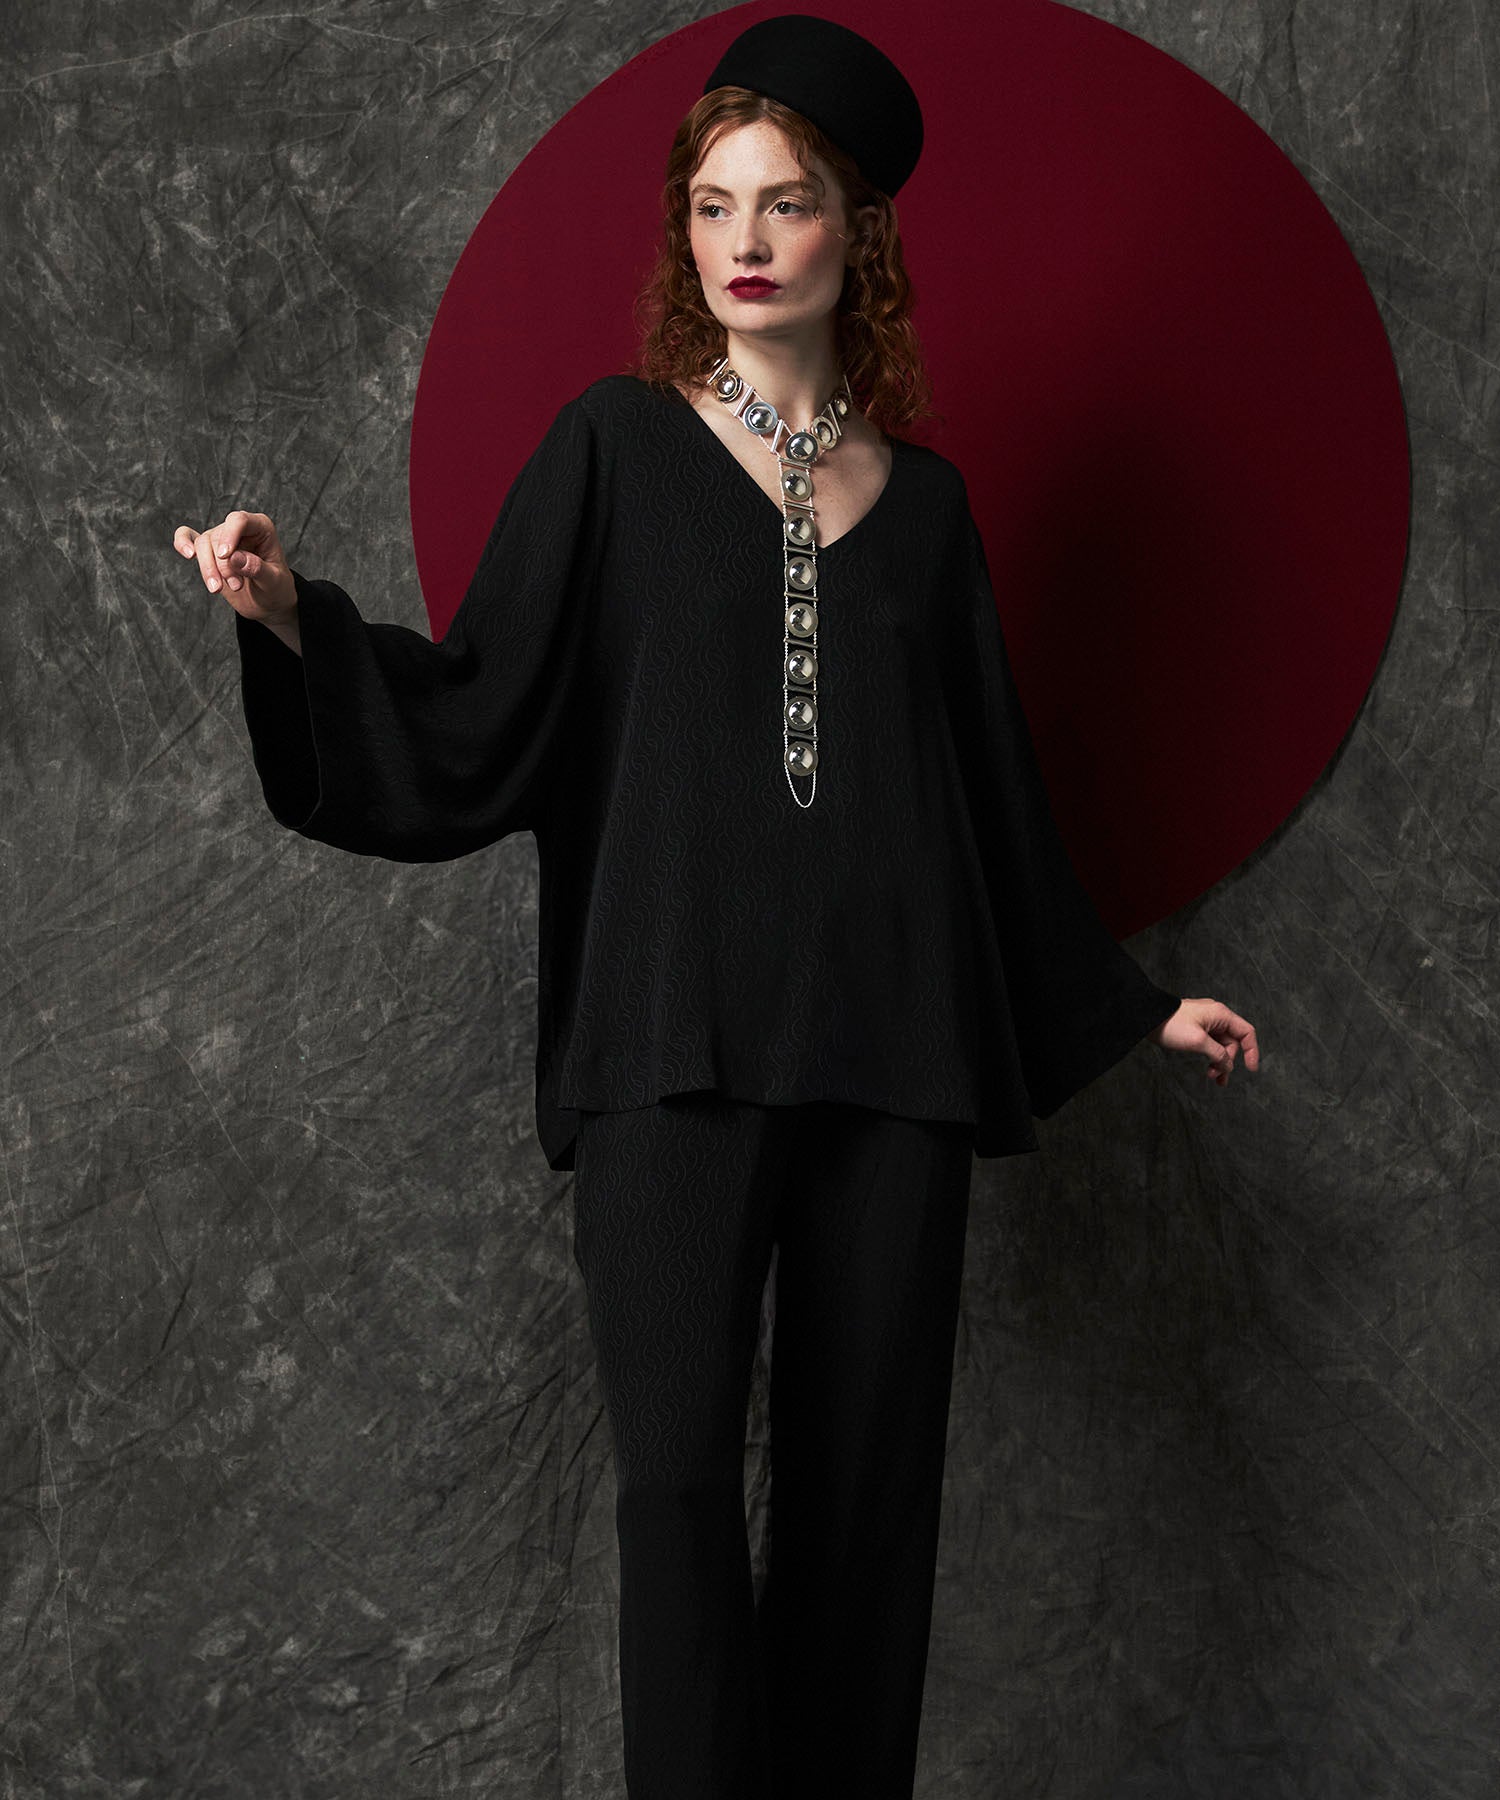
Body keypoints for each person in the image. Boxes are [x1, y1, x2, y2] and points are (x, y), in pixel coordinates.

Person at [172, 15, 1259, 1797]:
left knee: (864, 1510)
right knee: (675, 1486)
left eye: (787, 203)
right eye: (712, 205)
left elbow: (993, 806)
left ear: (859, 235)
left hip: (893, 1060)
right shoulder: (614, 448)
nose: (744, 241)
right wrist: (295, 620)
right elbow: (478, 704)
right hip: (667, 1045)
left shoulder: (930, 515)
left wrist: (1132, 1007)